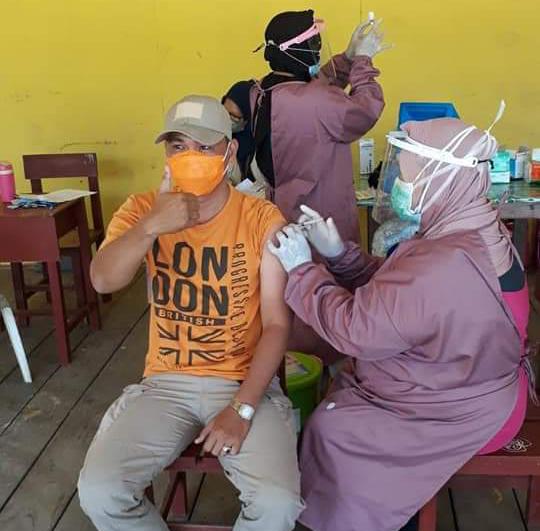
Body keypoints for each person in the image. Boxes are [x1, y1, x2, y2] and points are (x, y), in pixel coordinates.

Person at [269, 115, 532, 531]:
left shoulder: (444, 261)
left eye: (409, 174)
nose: (398, 183)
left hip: (461, 408)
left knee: (333, 431)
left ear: (444, 179)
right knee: (340, 409)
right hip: (471, 383)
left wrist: (302, 271)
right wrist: (340, 256)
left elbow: (356, 330)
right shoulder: (472, 227)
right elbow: (403, 297)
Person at [78, 95, 303, 531]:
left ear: (229, 152)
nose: (190, 157)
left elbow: (277, 324)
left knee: (277, 504)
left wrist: (242, 409)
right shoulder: (142, 209)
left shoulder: (260, 218)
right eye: (177, 146)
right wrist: (152, 226)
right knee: (100, 491)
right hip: (166, 384)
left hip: (242, 382)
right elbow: (103, 280)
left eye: (204, 147)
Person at [251, 9, 389, 364]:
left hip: (279, 211)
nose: (318, 49)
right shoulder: (316, 102)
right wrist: (363, 63)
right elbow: (364, 109)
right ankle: (327, 361)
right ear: (301, 50)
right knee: (323, 287)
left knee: (289, 286)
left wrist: (346, 57)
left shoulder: (263, 91)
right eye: (315, 44)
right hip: (321, 213)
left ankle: (293, 361)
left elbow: (317, 88)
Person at [222, 80, 256, 184]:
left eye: (234, 116)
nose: (227, 119)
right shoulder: (215, 135)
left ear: (248, 119)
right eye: (224, 112)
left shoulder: (259, 149)